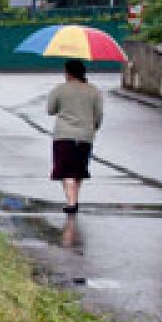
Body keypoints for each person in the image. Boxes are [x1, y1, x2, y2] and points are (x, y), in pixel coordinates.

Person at [45, 58, 103, 214]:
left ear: (68, 73)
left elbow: (50, 109)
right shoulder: (94, 90)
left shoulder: (59, 89)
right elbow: (98, 115)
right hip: (86, 136)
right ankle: (74, 200)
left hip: (63, 135)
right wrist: (93, 128)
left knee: (65, 170)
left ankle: (71, 202)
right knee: (78, 170)